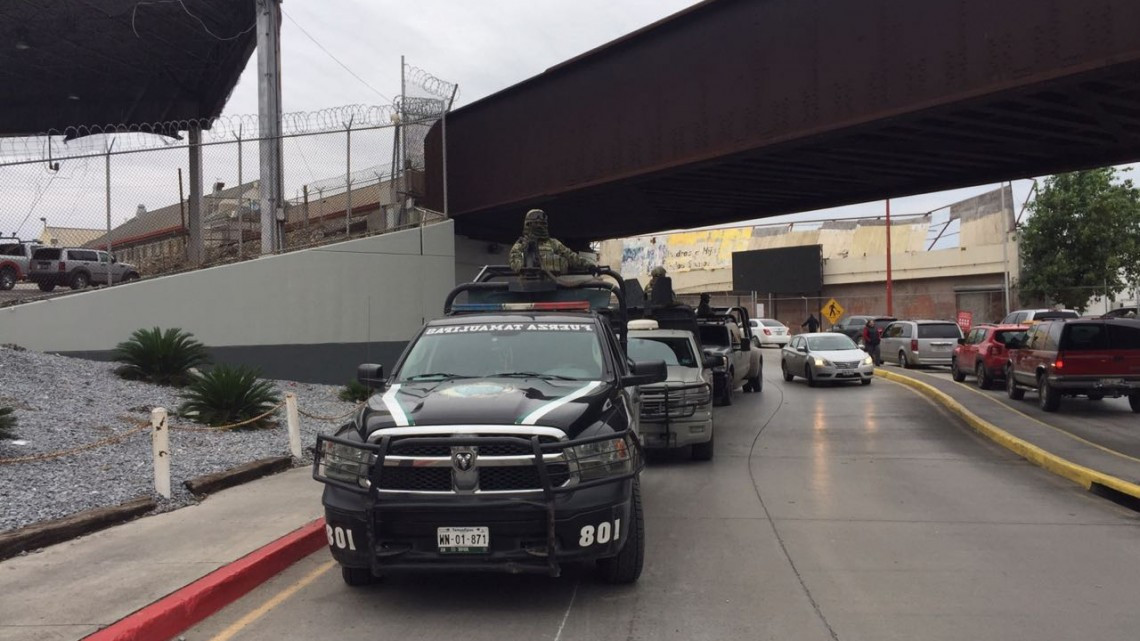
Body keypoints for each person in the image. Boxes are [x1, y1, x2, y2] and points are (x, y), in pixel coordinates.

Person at [508, 209, 595, 274]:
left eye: (542, 224)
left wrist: (589, 265)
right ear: (529, 225)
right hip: (529, 287)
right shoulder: (522, 244)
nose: (539, 226)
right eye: (536, 223)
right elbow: (515, 264)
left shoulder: (553, 243)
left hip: (554, 285)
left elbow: (571, 257)